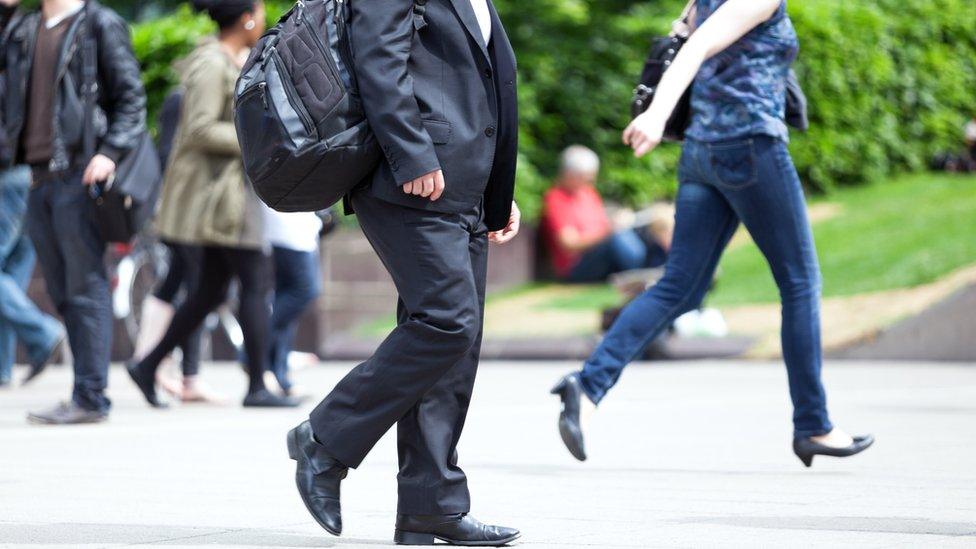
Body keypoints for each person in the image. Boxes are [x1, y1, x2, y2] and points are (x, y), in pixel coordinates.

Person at [551, 0, 874, 467]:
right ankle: (814, 425)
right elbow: (696, 45)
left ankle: (589, 383)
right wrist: (658, 115)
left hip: (702, 154)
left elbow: (682, 37)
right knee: (801, 283)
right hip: (751, 148)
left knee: (680, 286)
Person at [285, 0, 522, 545]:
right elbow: (378, 63)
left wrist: (498, 191)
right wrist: (411, 156)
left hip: (464, 186)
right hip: (411, 181)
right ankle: (324, 438)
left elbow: (481, 85)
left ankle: (429, 505)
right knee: (447, 321)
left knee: (454, 349)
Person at [126, 0, 297, 409]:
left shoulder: (229, 59)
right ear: (247, 19)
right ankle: (256, 386)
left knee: (209, 290)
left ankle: (147, 365)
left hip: (228, 195)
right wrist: (258, 141)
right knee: (254, 282)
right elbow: (199, 128)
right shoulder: (210, 63)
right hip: (220, 199)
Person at [1, 0, 147, 424]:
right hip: (36, 176)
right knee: (63, 290)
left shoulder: (97, 24)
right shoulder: (26, 29)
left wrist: (110, 153)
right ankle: (83, 392)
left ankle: (91, 397)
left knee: (85, 284)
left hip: (79, 173)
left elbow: (130, 97)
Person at [130, 89, 222, 404]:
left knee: (178, 283)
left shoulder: (192, 99)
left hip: (190, 210)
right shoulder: (182, 99)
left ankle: (151, 362)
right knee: (198, 289)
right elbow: (169, 155)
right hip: (186, 212)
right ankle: (183, 374)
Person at [541, 145, 669, 282]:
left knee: (656, 220)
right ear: (570, 175)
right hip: (576, 266)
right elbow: (569, 244)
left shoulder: (588, 194)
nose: (591, 183)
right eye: (587, 178)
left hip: (602, 253)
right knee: (616, 237)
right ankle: (644, 270)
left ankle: (659, 266)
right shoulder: (556, 199)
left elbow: (602, 224)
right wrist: (607, 231)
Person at [263, 209, 323, 399]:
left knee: (286, 297)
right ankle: (252, 354)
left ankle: (279, 374)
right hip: (288, 225)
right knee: (303, 291)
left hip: (296, 225)